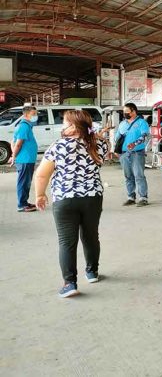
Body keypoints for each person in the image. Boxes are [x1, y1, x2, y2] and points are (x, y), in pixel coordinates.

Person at [33, 110, 109, 298]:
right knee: (91, 236)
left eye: (65, 123)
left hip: (65, 199)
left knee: (67, 241)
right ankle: (92, 272)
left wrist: (40, 195)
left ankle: (70, 284)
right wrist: (93, 134)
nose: (62, 127)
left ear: (73, 126)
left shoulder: (58, 146)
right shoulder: (99, 144)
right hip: (92, 197)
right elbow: (103, 144)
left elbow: (42, 174)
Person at [115, 103, 151, 207]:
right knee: (128, 176)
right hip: (124, 154)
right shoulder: (122, 124)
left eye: (127, 112)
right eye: (124, 112)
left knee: (139, 175)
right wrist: (116, 150)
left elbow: (145, 136)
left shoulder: (141, 123)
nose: (125, 114)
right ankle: (131, 197)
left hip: (137, 153)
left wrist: (134, 143)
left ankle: (143, 198)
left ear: (134, 111)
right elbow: (118, 138)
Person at [10, 105, 39, 212]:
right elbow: (18, 144)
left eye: (36, 114)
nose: (36, 116)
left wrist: (13, 155)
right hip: (25, 160)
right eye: (33, 114)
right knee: (23, 182)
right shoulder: (24, 126)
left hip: (26, 160)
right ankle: (22, 205)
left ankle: (24, 202)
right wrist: (13, 157)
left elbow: (12, 141)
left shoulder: (24, 126)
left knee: (26, 182)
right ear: (26, 115)